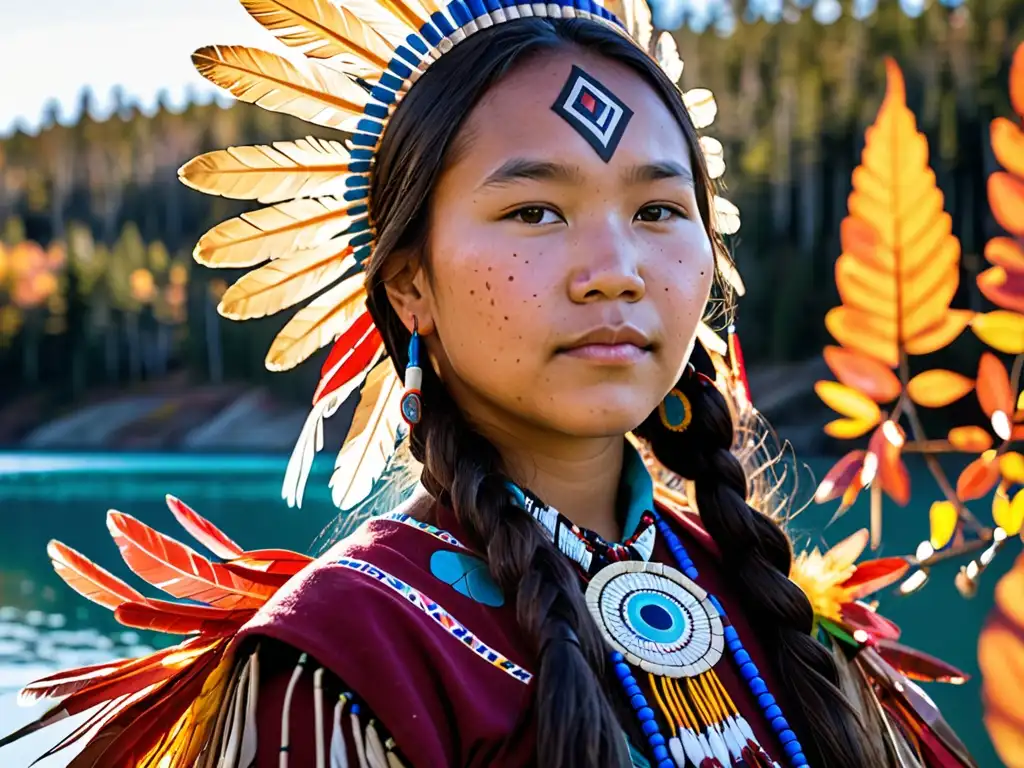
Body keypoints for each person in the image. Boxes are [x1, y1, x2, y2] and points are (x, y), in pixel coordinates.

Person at [0, 0, 977, 766]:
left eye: (658, 209)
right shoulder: (348, 657)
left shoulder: (786, 616)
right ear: (411, 284)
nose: (615, 268)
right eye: (535, 212)